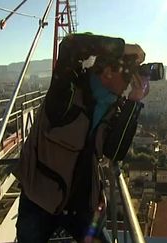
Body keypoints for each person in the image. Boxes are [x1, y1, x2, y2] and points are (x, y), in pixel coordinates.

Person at [13, 33, 149, 242]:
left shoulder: (112, 107)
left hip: (81, 202)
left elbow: (114, 151)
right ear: (107, 72)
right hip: (40, 198)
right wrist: (124, 47)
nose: (131, 81)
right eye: (127, 73)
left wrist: (134, 103)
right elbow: (70, 45)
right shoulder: (66, 93)